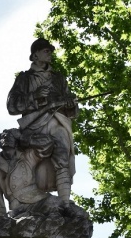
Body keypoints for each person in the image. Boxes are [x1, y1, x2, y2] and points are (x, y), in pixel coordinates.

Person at [6, 38, 78, 207]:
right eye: (46, 51)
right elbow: (12, 105)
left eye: (50, 51)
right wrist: (35, 96)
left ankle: (65, 203)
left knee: (63, 155)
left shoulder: (59, 79)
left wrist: (70, 105)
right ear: (35, 55)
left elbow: (71, 106)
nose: (50, 54)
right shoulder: (24, 79)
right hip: (34, 127)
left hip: (58, 122)